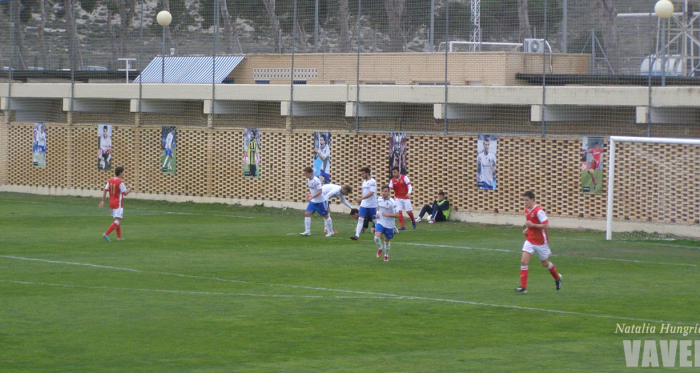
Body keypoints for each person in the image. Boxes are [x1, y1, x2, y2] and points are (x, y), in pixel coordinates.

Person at [514, 191, 562, 293]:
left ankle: (557, 278)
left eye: (527, 200)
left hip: (541, 242)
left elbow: (546, 225)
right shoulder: (527, 210)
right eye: (524, 200)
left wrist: (533, 225)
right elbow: (529, 223)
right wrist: (527, 229)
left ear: (532, 199)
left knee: (545, 263)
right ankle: (523, 287)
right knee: (523, 261)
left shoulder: (539, 211)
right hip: (530, 240)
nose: (525, 202)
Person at [99, 166, 132, 242]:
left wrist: (103, 200)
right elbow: (125, 193)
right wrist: (130, 188)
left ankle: (119, 237)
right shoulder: (120, 182)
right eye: (123, 172)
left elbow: (105, 190)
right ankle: (106, 234)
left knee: (117, 219)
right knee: (118, 220)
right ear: (120, 173)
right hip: (118, 204)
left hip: (111, 203)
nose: (124, 173)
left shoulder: (110, 180)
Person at [300, 166, 334, 237]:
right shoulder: (308, 180)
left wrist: (311, 197)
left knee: (326, 216)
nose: (305, 175)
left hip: (321, 201)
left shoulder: (316, 180)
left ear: (311, 173)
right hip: (313, 201)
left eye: (306, 173)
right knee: (307, 214)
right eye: (305, 173)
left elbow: (320, 191)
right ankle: (307, 231)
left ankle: (331, 231)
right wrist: (308, 194)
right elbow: (311, 188)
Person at [351, 167, 378, 240]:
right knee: (360, 219)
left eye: (363, 173)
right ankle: (357, 236)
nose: (361, 175)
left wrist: (361, 198)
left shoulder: (373, 181)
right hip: (364, 204)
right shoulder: (364, 182)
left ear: (367, 173)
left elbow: (372, 193)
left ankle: (379, 233)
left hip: (372, 204)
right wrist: (362, 199)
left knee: (375, 220)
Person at [374, 185, 400, 262]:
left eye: (385, 191)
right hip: (380, 222)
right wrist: (378, 213)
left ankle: (386, 255)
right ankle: (380, 248)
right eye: (383, 191)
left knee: (386, 241)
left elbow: (397, 215)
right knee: (376, 237)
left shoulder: (392, 202)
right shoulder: (379, 199)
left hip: (389, 225)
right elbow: (378, 206)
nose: (384, 193)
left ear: (389, 192)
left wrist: (387, 215)